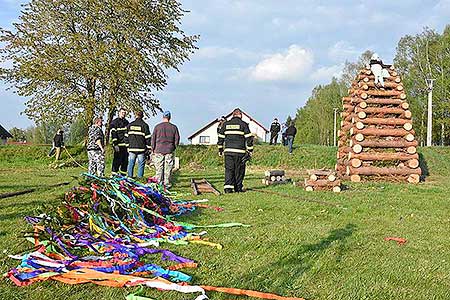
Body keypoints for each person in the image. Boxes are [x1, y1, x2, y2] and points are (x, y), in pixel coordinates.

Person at [217, 108, 253, 193]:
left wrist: (220, 150)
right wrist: (250, 150)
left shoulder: (225, 124)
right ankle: (238, 188)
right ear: (240, 115)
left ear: (233, 115)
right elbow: (249, 138)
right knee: (239, 170)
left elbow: (220, 138)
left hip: (228, 151)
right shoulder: (244, 124)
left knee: (229, 169)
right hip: (240, 152)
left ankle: (228, 188)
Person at [151, 111, 180, 189]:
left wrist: (153, 148)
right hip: (169, 150)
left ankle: (158, 183)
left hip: (158, 149)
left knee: (159, 167)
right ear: (170, 118)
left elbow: (153, 138)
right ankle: (166, 184)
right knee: (168, 168)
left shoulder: (157, 127)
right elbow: (177, 139)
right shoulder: (174, 127)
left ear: (163, 117)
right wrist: (174, 147)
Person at [125, 111, 151, 178]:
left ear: (135, 115)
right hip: (141, 149)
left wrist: (127, 146)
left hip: (131, 148)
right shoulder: (145, 125)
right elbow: (148, 138)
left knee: (131, 163)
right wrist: (149, 148)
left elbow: (125, 137)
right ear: (142, 116)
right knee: (141, 164)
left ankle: (129, 178)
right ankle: (139, 178)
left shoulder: (129, 125)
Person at [110, 108, 129, 176]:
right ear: (119, 113)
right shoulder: (114, 122)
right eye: (122, 112)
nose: (123, 114)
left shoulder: (127, 122)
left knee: (125, 162)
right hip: (118, 145)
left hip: (125, 146)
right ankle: (114, 175)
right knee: (117, 161)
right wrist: (115, 144)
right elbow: (113, 133)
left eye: (124, 113)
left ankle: (123, 177)